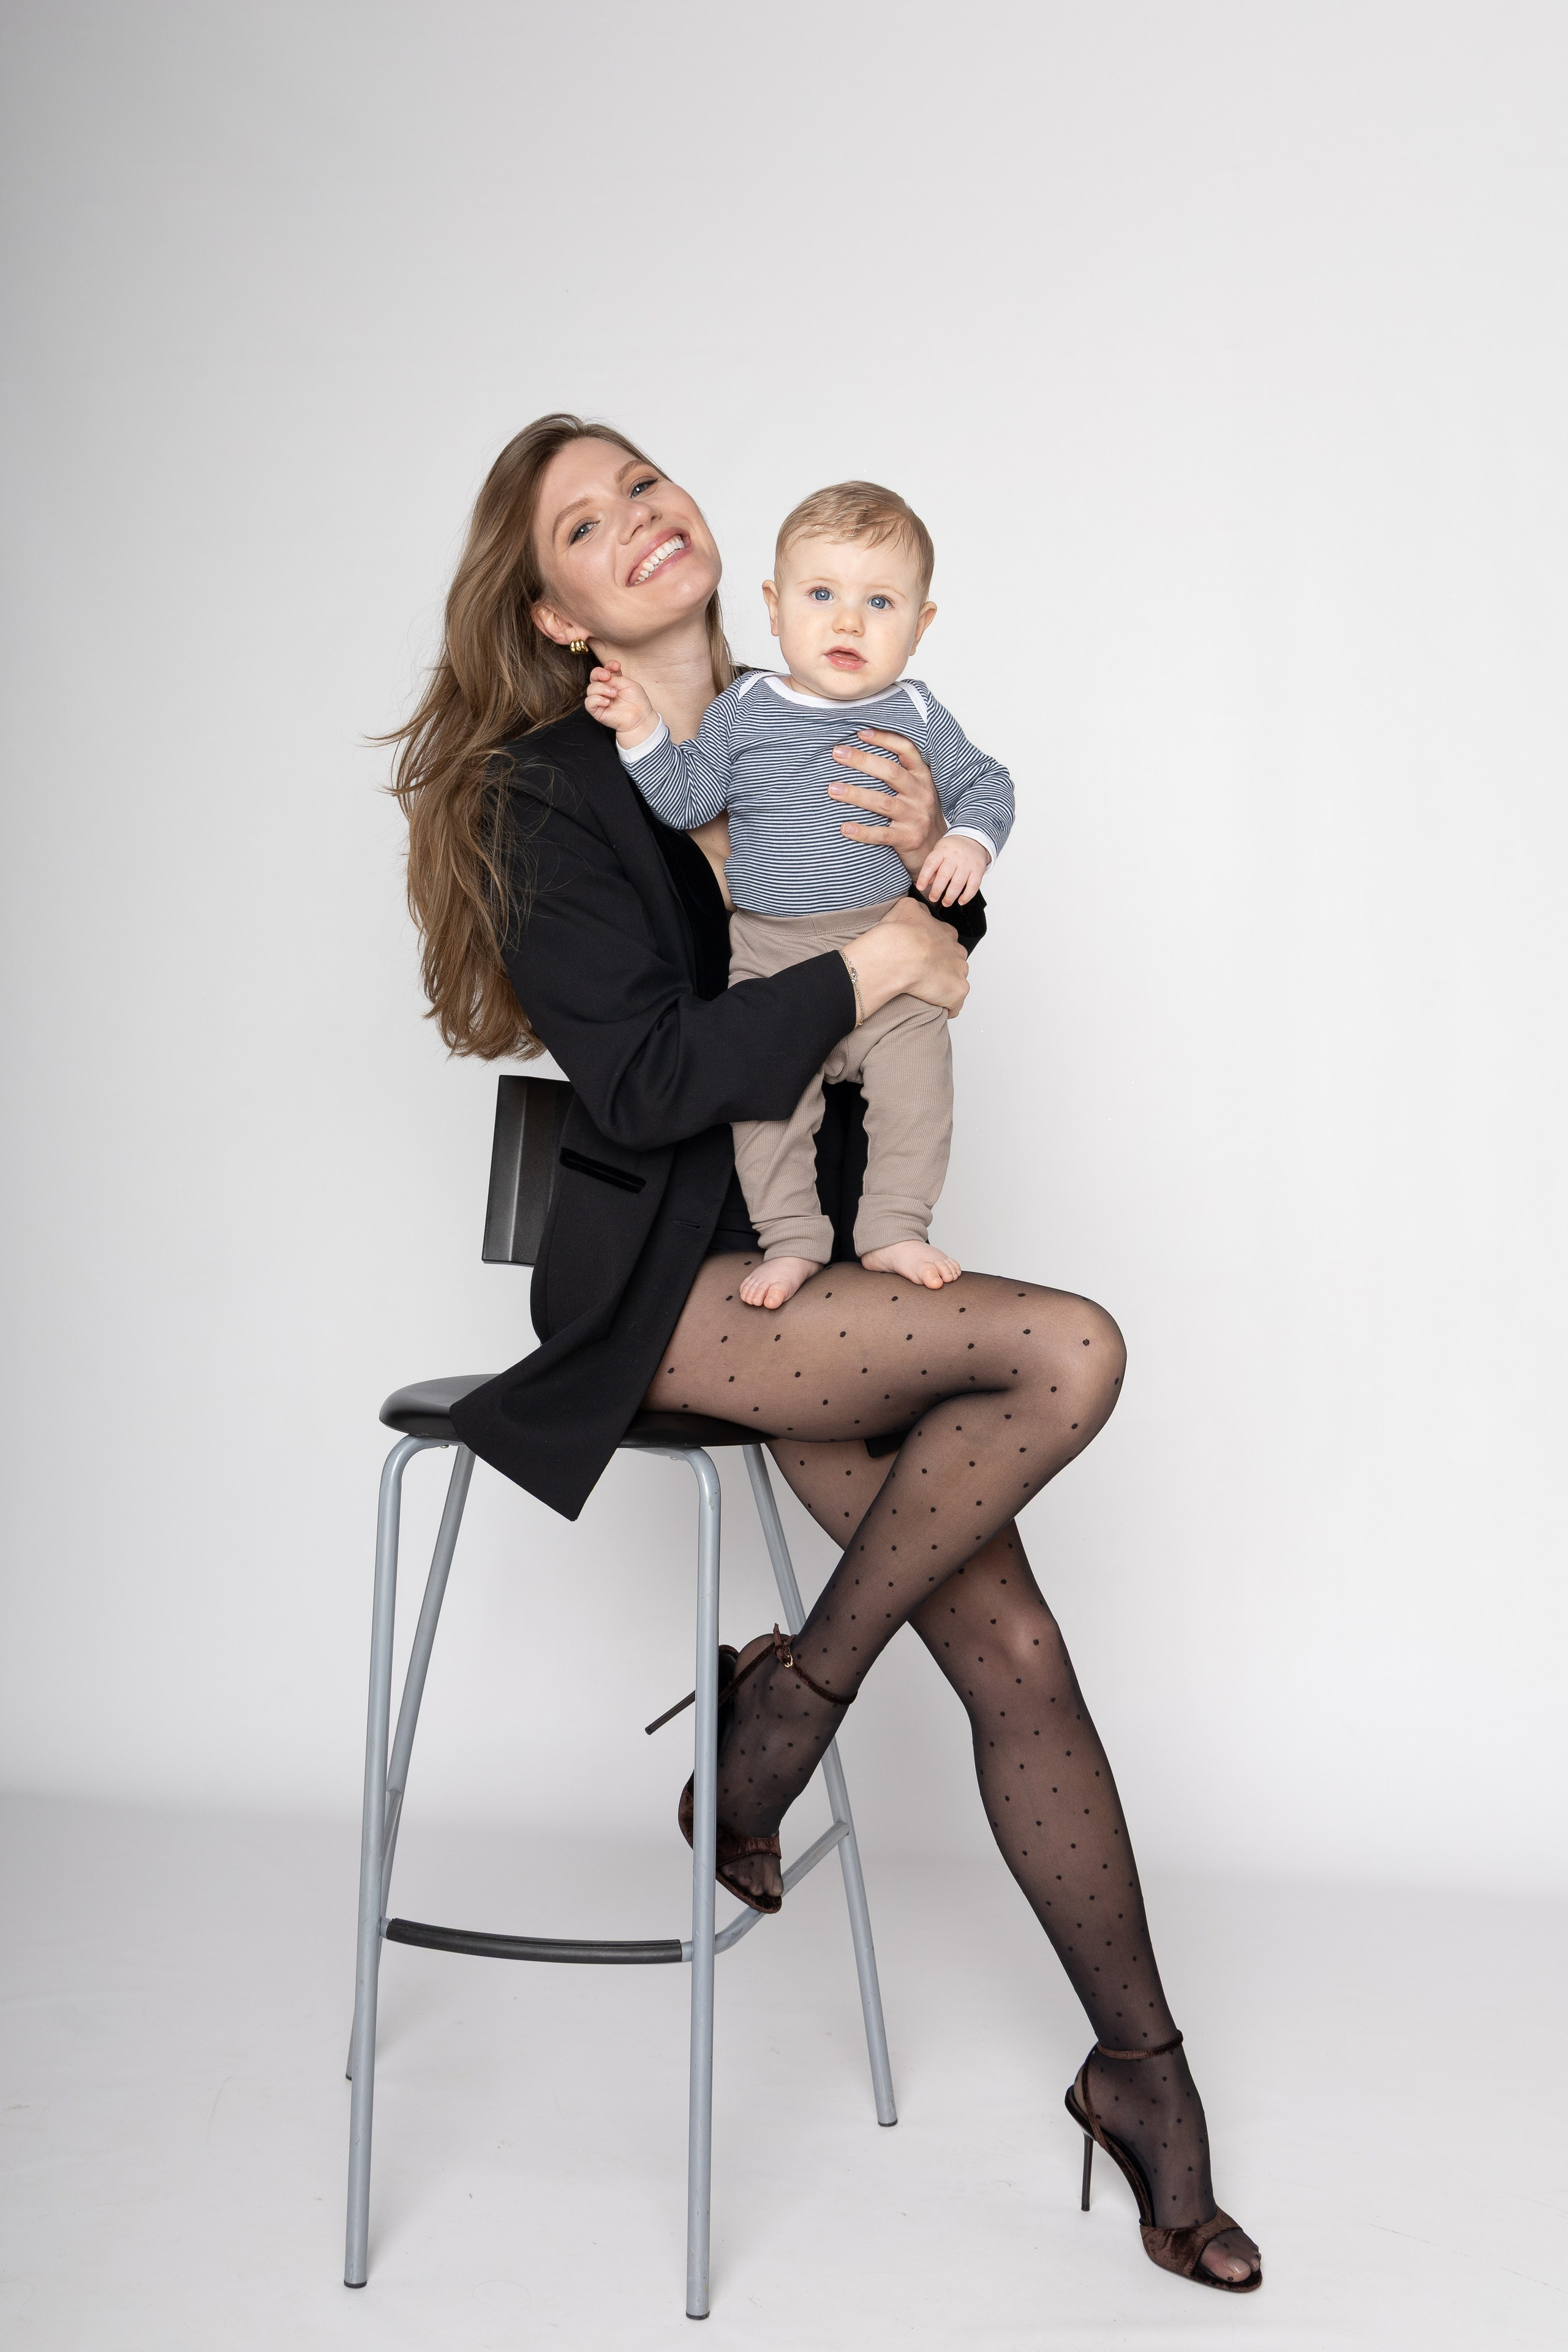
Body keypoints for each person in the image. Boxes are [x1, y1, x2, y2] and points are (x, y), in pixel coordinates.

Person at [389, 412, 1262, 2294]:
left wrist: (939, 900)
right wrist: (879, 969)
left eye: (647, 485)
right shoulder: (557, 787)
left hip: (825, 1271)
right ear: (548, 610)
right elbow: (639, 1077)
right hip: (673, 1287)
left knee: (1018, 1643)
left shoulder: (827, 703)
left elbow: (931, 933)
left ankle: (1140, 2083)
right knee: (1074, 1351)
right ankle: (777, 1719)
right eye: (587, 523)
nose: (642, 521)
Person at [585, 478, 1014, 1311]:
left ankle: (893, 1225)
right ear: (775, 611)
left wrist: (963, 838)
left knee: (918, 1094)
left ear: (920, 628)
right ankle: (791, 1239)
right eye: (822, 596)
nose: (848, 622)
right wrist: (640, 730)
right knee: (769, 1110)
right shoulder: (743, 707)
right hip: (774, 955)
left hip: (885, 939)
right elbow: (686, 801)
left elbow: (987, 784)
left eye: (880, 602)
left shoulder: (919, 713)